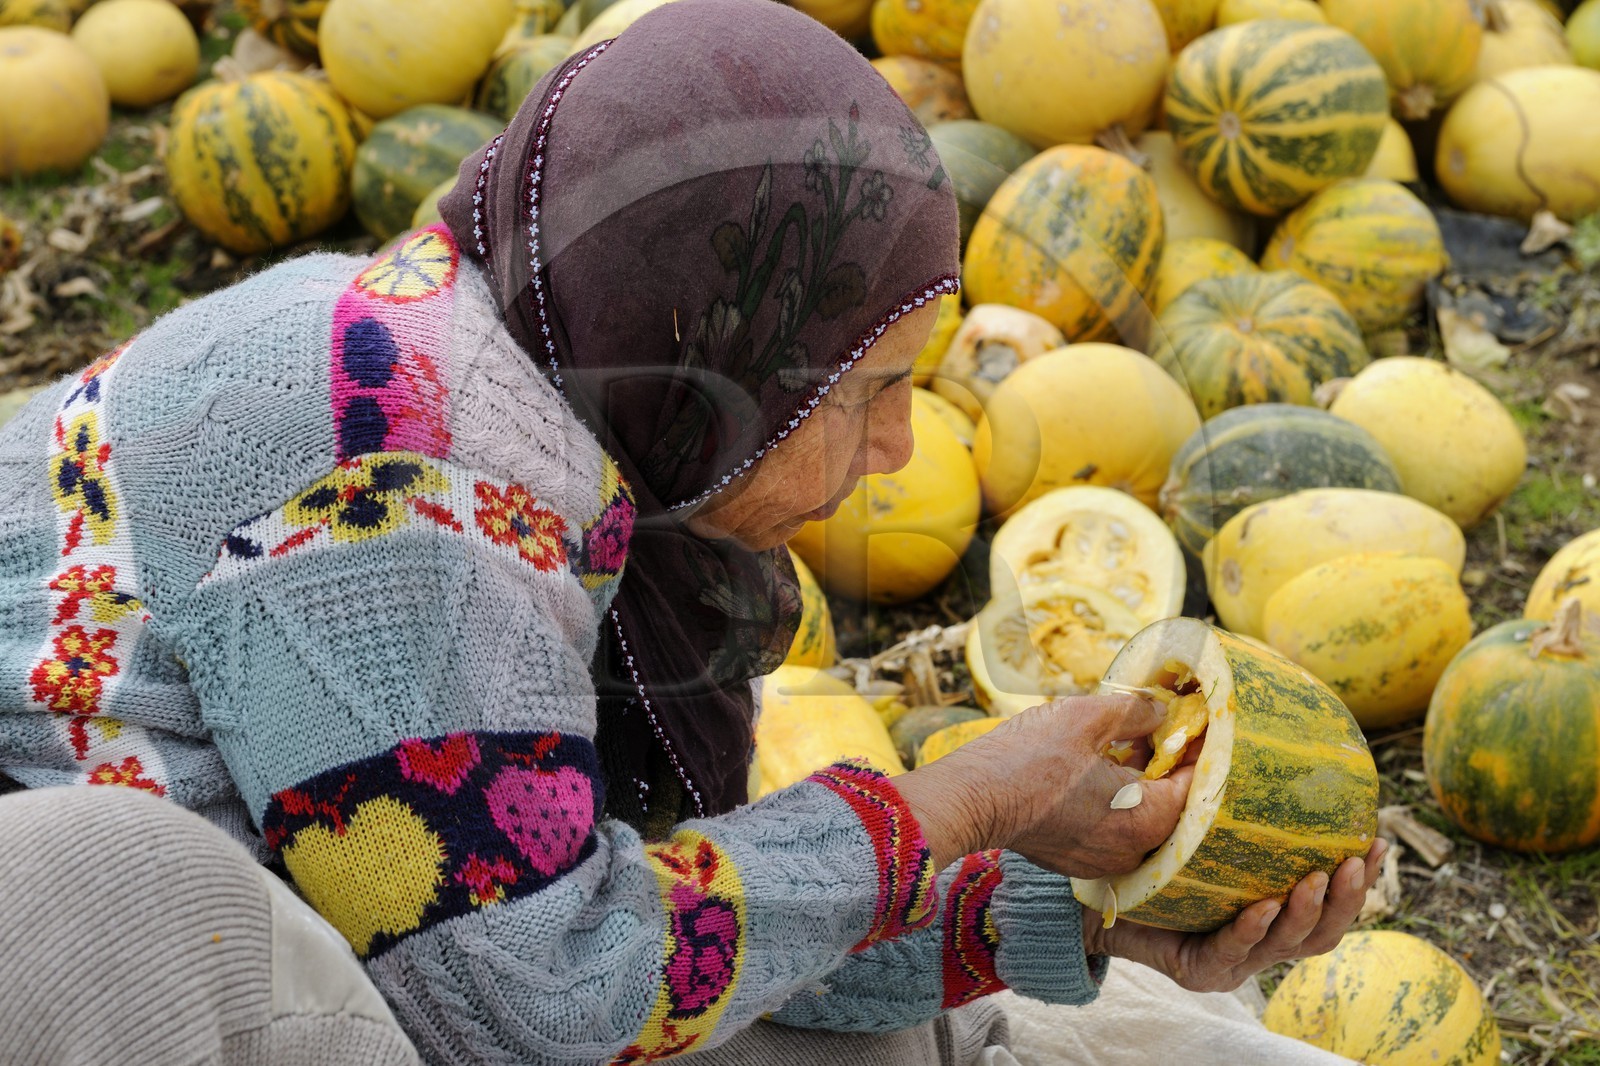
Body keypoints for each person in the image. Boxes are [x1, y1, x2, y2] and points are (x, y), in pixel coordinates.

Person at [0, 1, 1382, 1062]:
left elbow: (681, 920)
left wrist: (1068, 918)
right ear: (720, 359)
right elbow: (534, 1006)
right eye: (870, 392)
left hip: (410, 948)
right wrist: (955, 804)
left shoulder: (560, 391)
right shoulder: (407, 498)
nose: (902, 450)